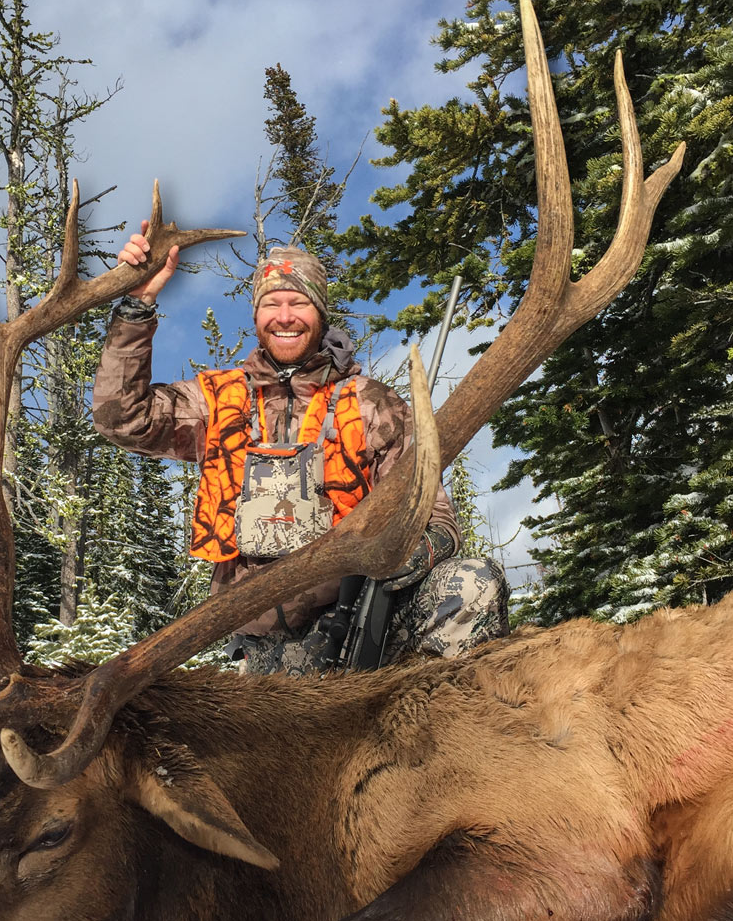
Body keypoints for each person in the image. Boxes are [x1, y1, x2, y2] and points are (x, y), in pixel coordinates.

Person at [92, 222, 509, 675]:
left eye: (299, 302)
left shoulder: (372, 404)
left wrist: (412, 551)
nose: (285, 315)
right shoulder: (216, 401)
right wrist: (138, 304)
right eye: (271, 303)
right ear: (256, 316)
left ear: (320, 313)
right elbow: (122, 418)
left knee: (473, 583)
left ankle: (440, 734)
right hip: (261, 647)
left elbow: (436, 517)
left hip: (361, 625)